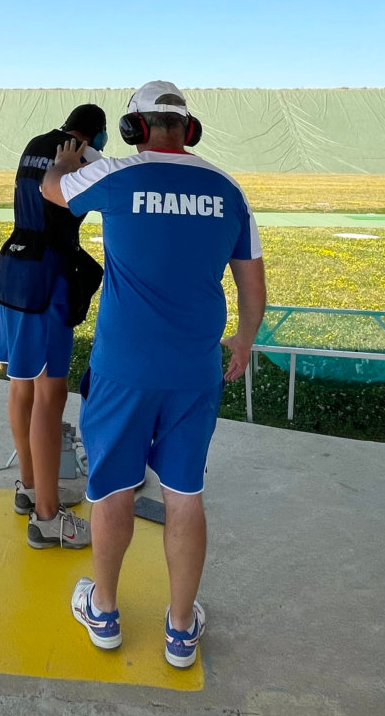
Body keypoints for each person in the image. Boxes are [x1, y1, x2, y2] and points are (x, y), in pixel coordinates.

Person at [41, 81, 266, 670]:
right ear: (188, 129)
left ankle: (105, 612)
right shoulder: (228, 189)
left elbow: (51, 190)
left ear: (134, 128)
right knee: (184, 494)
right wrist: (243, 340)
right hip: (193, 371)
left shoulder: (115, 174)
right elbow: (252, 285)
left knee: (113, 490)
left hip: (123, 371)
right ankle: (181, 629)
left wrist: (67, 161)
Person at [0, 103, 108, 550]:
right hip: (47, 280)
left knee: (21, 386)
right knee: (50, 394)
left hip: (15, 272)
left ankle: (32, 488)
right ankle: (47, 517)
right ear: (94, 134)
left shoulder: (36, 143)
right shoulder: (82, 155)